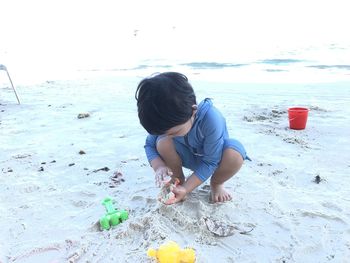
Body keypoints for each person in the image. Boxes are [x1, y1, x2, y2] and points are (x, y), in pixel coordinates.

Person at [135, 72, 250, 204]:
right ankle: (178, 179)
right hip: (187, 155)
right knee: (162, 142)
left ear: (193, 111)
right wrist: (159, 166)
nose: (169, 136)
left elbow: (210, 162)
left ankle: (217, 184)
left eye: (174, 132)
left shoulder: (211, 119)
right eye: (165, 132)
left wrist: (187, 189)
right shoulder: (165, 121)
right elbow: (149, 145)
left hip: (215, 159)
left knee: (235, 154)